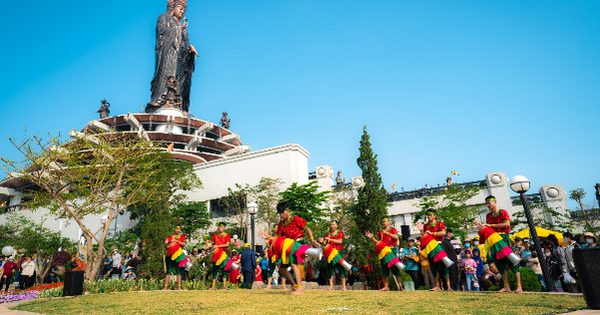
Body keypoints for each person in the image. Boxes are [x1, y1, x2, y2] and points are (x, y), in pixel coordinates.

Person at [146, 0, 198, 113]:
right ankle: (163, 100)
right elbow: (161, 32)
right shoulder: (164, 18)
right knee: (167, 79)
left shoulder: (184, 30)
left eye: (184, 9)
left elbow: (185, 45)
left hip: (180, 61)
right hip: (169, 57)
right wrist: (179, 29)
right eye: (180, 7)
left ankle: (178, 103)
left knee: (180, 83)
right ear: (172, 8)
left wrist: (190, 50)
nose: (182, 11)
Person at [474, 195, 523, 293]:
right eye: (487, 203)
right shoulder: (488, 215)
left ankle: (519, 287)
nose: (488, 205)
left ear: (495, 202)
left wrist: (490, 225)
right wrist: (481, 227)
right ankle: (506, 286)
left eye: (489, 203)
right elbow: (489, 229)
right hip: (494, 240)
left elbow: (507, 224)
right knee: (499, 264)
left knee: (512, 261)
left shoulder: (503, 212)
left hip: (504, 239)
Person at [272, 200, 320, 295]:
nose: (281, 215)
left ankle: (299, 289)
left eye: (283, 212)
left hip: (297, 244)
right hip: (287, 246)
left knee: (294, 264)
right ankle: (294, 286)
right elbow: (278, 236)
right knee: (282, 268)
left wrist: (312, 240)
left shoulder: (296, 219)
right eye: (280, 213)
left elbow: (307, 229)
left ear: (288, 211)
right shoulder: (281, 224)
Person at [417, 210, 452, 291]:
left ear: (435, 216)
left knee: (444, 265)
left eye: (430, 215)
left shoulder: (439, 223)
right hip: (430, 248)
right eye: (428, 215)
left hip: (438, 246)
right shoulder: (426, 225)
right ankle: (437, 286)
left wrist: (432, 234)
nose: (429, 216)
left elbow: (443, 233)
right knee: (433, 266)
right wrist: (421, 231)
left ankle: (448, 286)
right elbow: (425, 236)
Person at [365, 217, 404, 291]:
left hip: (391, 251)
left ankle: (400, 286)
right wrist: (372, 238)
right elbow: (379, 242)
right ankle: (386, 286)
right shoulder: (381, 232)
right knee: (384, 268)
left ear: (389, 222)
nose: (384, 223)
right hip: (383, 252)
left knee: (395, 268)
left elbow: (396, 237)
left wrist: (388, 233)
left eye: (385, 221)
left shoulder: (392, 229)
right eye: (382, 221)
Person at [318, 220, 348, 291]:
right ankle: (331, 286)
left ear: (337, 225)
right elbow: (325, 244)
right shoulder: (328, 234)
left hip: (338, 253)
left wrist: (331, 240)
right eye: (331, 224)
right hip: (330, 254)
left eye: (334, 224)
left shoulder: (340, 233)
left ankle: (344, 287)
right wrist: (322, 242)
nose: (332, 226)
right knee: (330, 269)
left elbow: (340, 241)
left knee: (341, 269)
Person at [209, 222, 231, 290]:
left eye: (221, 227)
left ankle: (224, 286)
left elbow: (227, 245)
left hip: (223, 255)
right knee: (215, 270)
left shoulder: (227, 235)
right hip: (216, 255)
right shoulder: (215, 236)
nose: (220, 228)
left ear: (224, 228)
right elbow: (212, 245)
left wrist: (218, 245)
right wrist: (209, 245)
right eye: (219, 227)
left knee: (224, 270)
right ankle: (213, 286)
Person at [163, 226, 187, 290]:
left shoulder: (182, 237)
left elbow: (184, 244)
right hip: (170, 255)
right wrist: (166, 243)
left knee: (178, 270)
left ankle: (179, 287)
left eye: (178, 229)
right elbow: (166, 246)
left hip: (178, 255)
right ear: (174, 229)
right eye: (176, 228)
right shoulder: (170, 237)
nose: (177, 230)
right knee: (168, 270)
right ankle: (165, 287)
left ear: (180, 230)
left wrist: (177, 241)